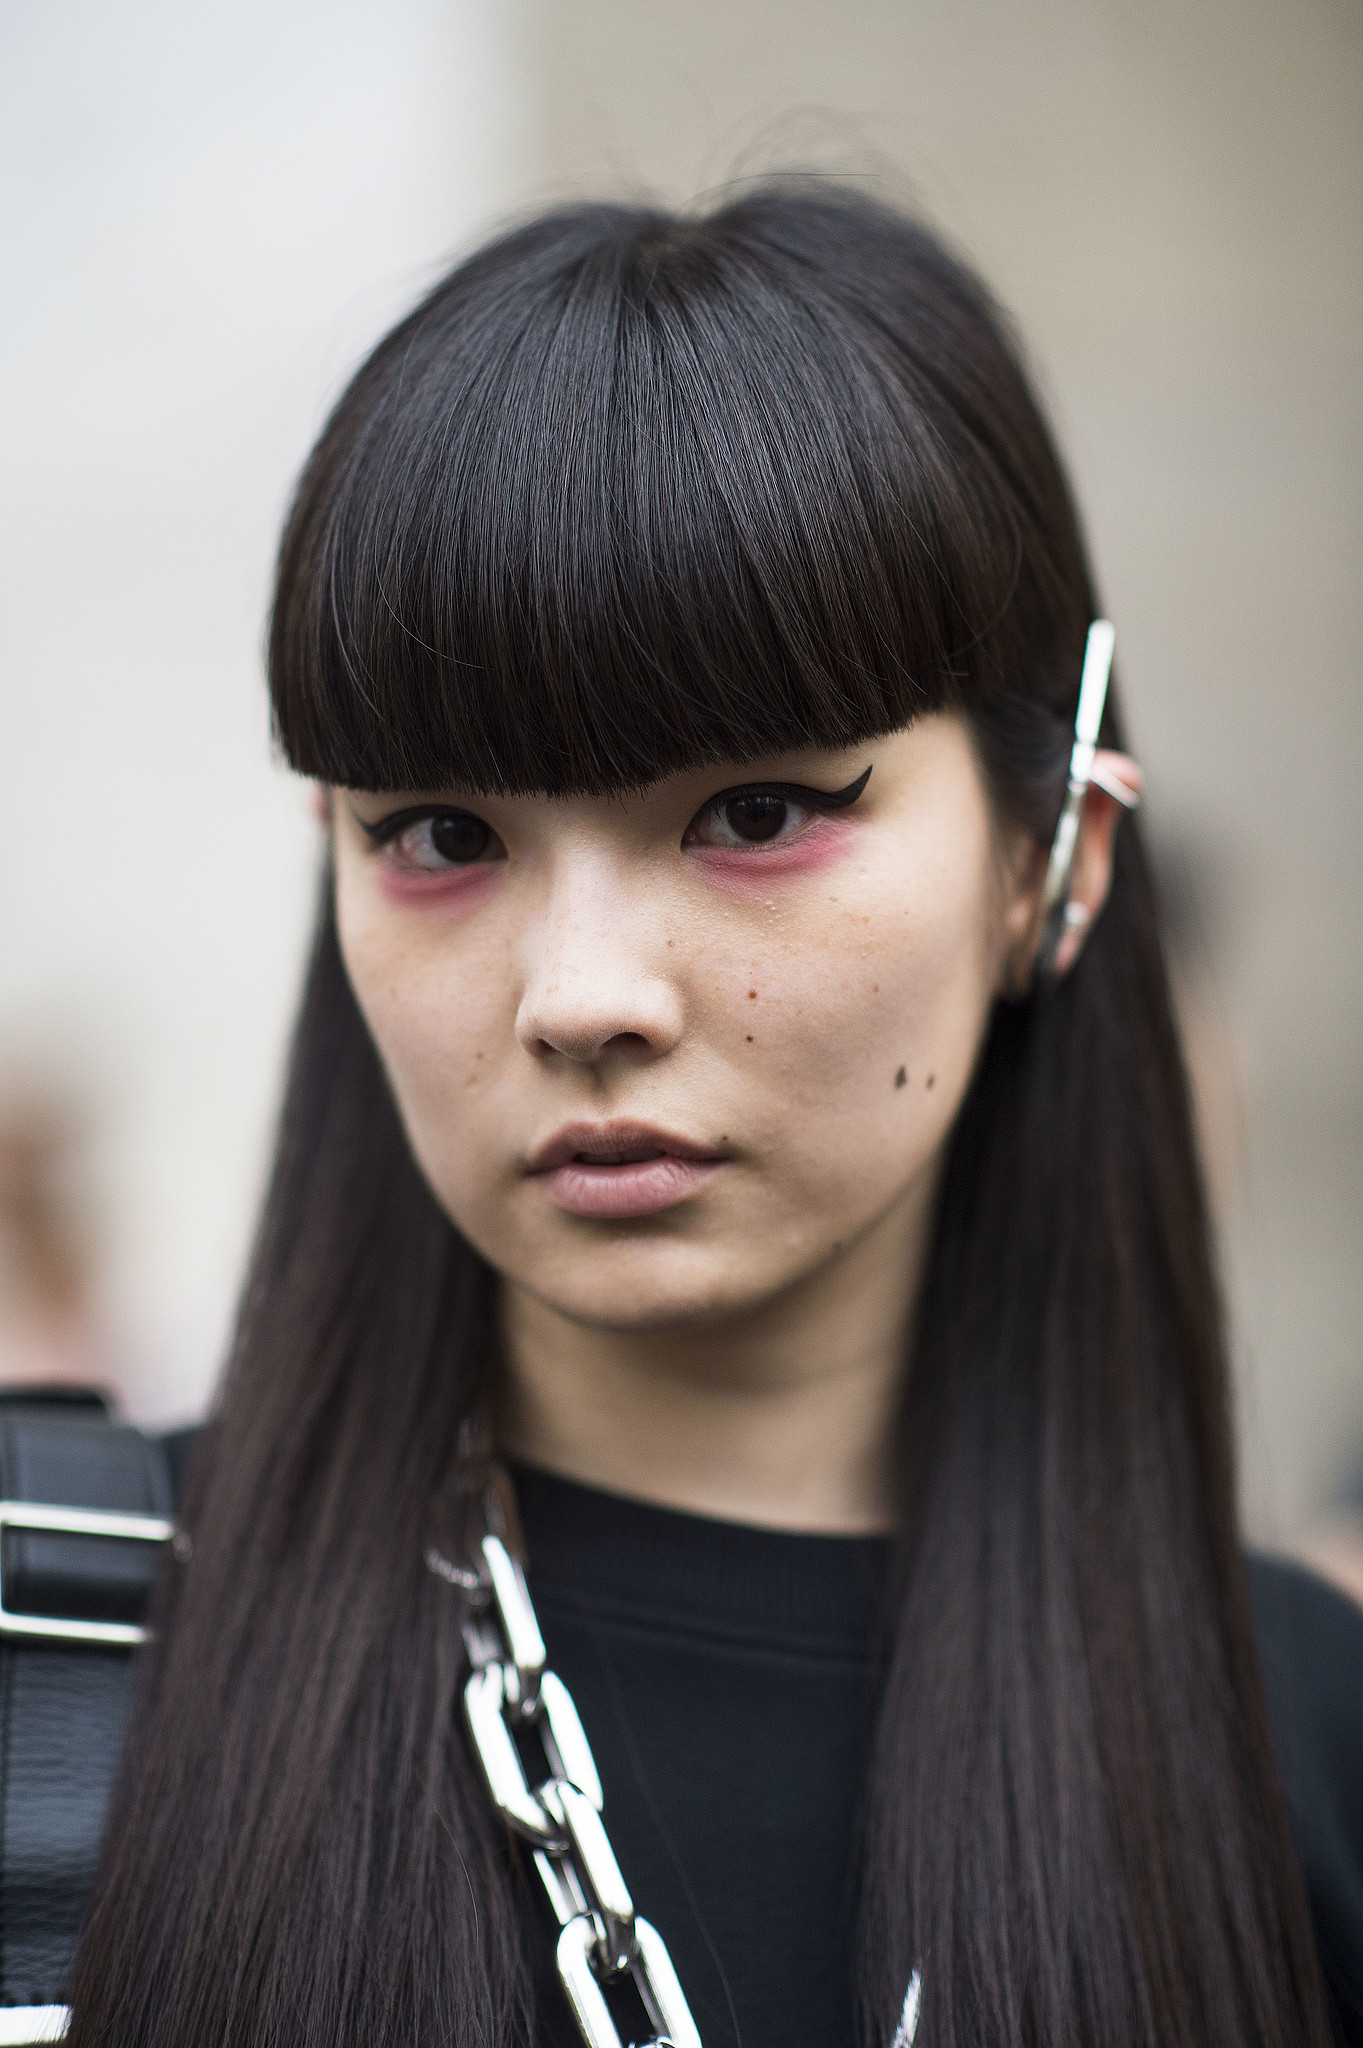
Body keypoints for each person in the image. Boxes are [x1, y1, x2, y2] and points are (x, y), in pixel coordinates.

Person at [24, 187, 1362, 2046]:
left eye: (752, 814)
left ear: (1050, 867)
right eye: (442, 835)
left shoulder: (1316, 1743)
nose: (580, 996)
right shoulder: (47, 1651)